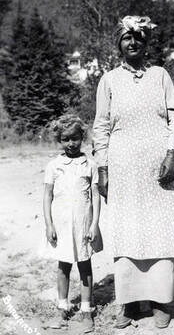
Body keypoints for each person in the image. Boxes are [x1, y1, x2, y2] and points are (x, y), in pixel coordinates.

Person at [92, 15, 174, 329]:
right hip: (123, 171)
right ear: (119, 44)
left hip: (160, 169)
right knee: (129, 231)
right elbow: (101, 127)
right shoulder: (108, 80)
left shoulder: (160, 75)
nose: (132, 42)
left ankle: (162, 301)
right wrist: (103, 169)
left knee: (160, 231)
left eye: (138, 37)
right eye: (126, 38)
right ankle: (132, 303)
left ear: (146, 43)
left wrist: (173, 154)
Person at [42, 114, 103, 333]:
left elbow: (95, 197)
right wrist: (49, 225)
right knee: (63, 266)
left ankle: (86, 310)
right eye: (66, 139)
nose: (71, 143)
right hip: (61, 225)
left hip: (83, 224)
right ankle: (62, 307)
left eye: (75, 138)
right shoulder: (53, 166)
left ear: (82, 137)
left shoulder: (90, 165)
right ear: (59, 140)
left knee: (85, 265)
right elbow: (47, 196)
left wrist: (94, 224)